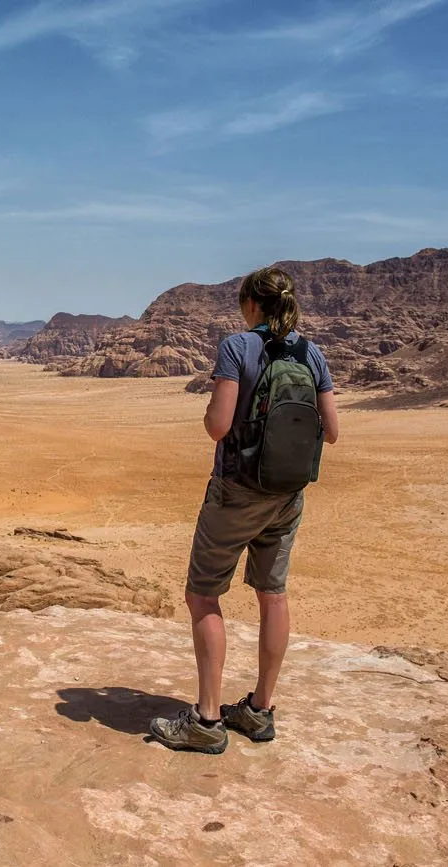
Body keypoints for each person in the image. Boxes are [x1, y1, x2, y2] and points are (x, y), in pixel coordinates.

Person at [150, 266, 340, 754]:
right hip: (287, 494)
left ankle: (207, 720)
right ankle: (259, 711)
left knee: (203, 596)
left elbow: (218, 426)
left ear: (251, 304)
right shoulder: (312, 353)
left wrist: (214, 410)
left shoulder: (238, 347)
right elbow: (333, 432)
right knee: (273, 595)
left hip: (237, 492)